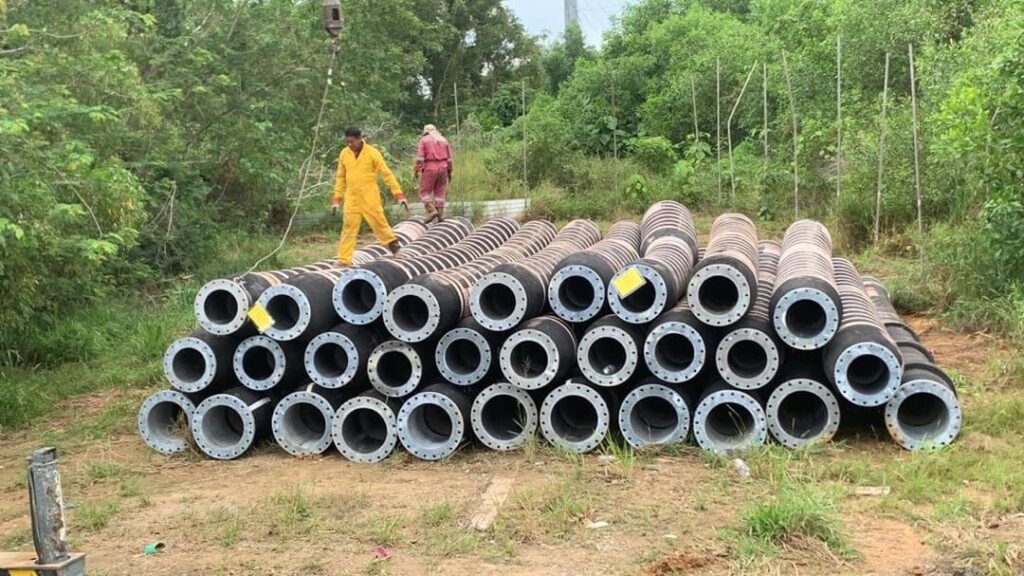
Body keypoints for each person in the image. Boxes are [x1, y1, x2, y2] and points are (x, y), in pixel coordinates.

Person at [331, 127, 408, 264]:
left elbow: (386, 174)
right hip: (352, 196)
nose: (349, 144)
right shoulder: (344, 154)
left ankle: (394, 247)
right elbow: (340, 177)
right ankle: (343, 259)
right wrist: (337, 198)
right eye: (347, 142)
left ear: (360, 139)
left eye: (352, 141)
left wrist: (398, 194)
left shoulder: (372, 153)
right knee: (348, 227)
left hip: (369, 195)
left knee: (378, 221)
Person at [413, 124, 453, 222]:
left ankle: (431, 211)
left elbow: (420, 158)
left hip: (430, 167)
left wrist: (416, 170)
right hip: (443, 167)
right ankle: (440, 216)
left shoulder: (424, 140)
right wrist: (450, 171)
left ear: (425, 131)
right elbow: (449, 158)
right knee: (440, 193)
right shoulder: (444, 139)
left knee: (424, 192)